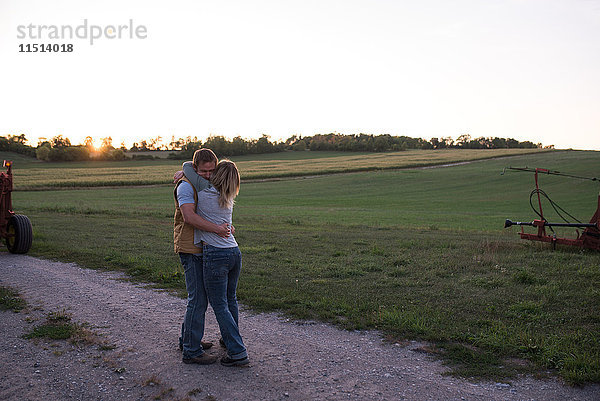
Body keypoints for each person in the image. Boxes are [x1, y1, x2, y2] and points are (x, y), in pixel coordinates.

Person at [183, 159, 249, 366]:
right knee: (231, 300)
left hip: (215, 254)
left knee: (219, 304)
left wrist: (180, 173)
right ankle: (229, 340)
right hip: (234, 252)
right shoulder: (228, 196)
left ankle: (237, 352)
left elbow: (187, 166)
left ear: (217, 175)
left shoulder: (204, 190)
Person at [173, 148, 230, 365]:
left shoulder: (197, 179)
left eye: (211, 171)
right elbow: (188, 217)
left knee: (199, 299)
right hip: (190, 247)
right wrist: (217, 229)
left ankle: (187, 339)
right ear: (196, 169)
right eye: (204, 171)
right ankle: (191, 351)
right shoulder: (186, 186)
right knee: (197, 300)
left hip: (201, 247)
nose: (208, 175)